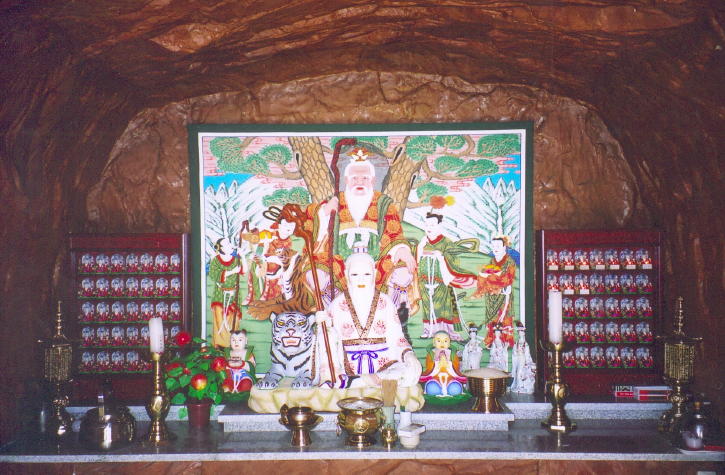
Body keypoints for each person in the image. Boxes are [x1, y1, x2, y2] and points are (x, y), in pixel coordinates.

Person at [309, 154, 416, 302]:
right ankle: (334, 311)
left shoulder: (383, 203)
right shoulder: (335, 200)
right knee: (316, 275)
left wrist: (401, 249)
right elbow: (312, 227)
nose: (359, 182)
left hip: (377, 260)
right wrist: (325, 211)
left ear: (372, 180)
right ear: (347, 180)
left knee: (404, 273)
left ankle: (391, 311)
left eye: (365, 178)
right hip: (338, 260)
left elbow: (394, 233)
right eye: (354, 178)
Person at [314, 251, 421, 388]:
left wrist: (409, 355)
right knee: (325, 334)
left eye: (366, 274)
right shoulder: (336, 304)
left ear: (374, 274)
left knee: (410, 372)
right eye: (355, 274)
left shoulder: (386, 302)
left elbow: (397, 337)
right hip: (347, 365)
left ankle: (351, 382)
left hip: (384, 365)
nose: (361, 280)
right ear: (346, 274)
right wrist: (324, 324)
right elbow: (328, 338)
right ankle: (360, 381)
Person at [416, 212, 477, 341]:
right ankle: (428, 330)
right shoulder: (423, 242)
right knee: (427, 305)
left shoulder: (446, 242)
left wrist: (442, 257)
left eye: (432, 225)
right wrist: (420, 248)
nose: (429, 227)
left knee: (442, 306)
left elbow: (453, 260)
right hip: (424, 281)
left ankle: (445, 331)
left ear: (439, 226)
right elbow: (416, 261)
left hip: (441, 281)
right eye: (427, 224)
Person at [473, 236, 517, 347]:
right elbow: (484, 276)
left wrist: (492, 277)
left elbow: (508, 279)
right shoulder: (491, 261)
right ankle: (491, 340)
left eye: (498, 246)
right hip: (491, 295)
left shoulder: (510, 262)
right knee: (492, 318)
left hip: (504, 294)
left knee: (504, 317)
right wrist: (483, 277)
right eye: (493, 246)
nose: (495, 248)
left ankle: (506, 341)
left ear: (504, 247)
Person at [208, 237, 247, 347]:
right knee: (219, 321)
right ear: (220, 248)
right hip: (220, 295)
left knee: (233, 321)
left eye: (230, 243)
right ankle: (219, 347)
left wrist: (243, 256)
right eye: (227, 244)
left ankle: (232, 346)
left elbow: (244, 270)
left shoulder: (236, 260)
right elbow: (213, 275)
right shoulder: (215, 260)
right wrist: (232, 271)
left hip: (233, 295)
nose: (230, 245)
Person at [419, 331, 466, 397]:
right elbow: (429, 368)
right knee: (432, 389)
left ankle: (450, 388)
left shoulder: (453, 354)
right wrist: (437, 364)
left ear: (449, 343)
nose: (442, 343)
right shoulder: (431, 354)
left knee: (455, 389)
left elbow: (456, 368)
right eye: (439, 341)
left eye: (445, 341)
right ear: (434, 342)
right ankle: (437, 389)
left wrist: (449, 364)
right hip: (435, 378)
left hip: (450, 378)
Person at [510, 321, 535, 393]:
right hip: (517, 358)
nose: (520, 333)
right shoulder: (517, 342)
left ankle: (521, 386)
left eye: (522, 332)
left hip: (523, 358)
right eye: (519, 332)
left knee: (520, 372)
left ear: (524, 333)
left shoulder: (525, 343)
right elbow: (514, 351)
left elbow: (527, 353)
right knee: (517, 371)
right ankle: (518, 386)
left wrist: (528, 362)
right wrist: (515, 352)